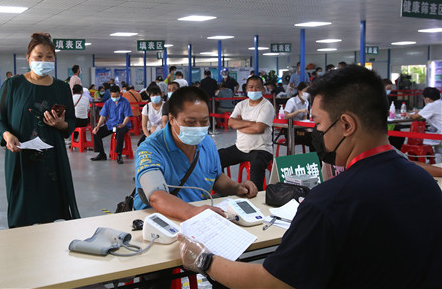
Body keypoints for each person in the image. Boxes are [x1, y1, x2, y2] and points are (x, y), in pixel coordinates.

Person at [177, 64, 442, 288]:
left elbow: (272, 282)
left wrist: (204, 260)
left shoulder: (330, 201)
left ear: (347, 125)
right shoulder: (425, 185)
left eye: (317, 123)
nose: (316, 132)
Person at [0, 32, 79, 228]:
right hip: (21, 158)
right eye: (39, 56)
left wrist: (60, 125)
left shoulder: (61, 88)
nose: (44, 61)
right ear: (28, 57)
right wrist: (8, 136)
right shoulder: (13, 85)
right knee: (21, 212)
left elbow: (71, 123)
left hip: (52, 160)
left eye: (49, 57)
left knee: (52, 212)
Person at [133, 87, 257, 220]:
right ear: (171, 119)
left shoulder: (207, 143)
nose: (198, 128)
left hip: (198, 217)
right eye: (190, 122)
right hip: (158, 221)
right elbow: (156, 196)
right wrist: (192, 212)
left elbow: (216, 177)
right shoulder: (150, 148)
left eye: (204, 122)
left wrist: (237, 187)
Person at [218, 76, 274, 189]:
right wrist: (251, 123)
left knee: (257, 164)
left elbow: (259, 129)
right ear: (246, 89)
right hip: (240, 148)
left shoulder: (267, 106)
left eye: (257, 87)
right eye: (251, 87)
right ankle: (222, 187)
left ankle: (256, 195)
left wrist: (240, 124)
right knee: (217, 157)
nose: (254, 90)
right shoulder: (241, 105)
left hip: (261, 149)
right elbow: (231, 123)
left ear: (262, 89)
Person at [90, 85, 132, 165]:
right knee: (96, 133)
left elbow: (127, 116)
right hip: (111, 124)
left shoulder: (125, 102)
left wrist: (123, 124)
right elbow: (103, 116)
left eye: (117, 96)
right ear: (110, 94)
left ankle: (119, 155)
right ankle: (101, 154)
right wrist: (98, 126)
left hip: (123, 125)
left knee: (120, 133)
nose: (115, 98)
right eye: (113, 96)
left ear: (120, 93)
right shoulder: (108, 102)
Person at [283, 81, 315, 151]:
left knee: (315, 137)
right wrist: (298, 111)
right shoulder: (291, 101)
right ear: (299, 91)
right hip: (291, 131)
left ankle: (314, 159)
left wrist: (308, 129)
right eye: (305, 91)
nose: (307, 94)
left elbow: (304, 119)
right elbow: (286, 116)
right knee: (312, 139)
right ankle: (313, 159)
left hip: (301, 129)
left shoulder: (306, 102)